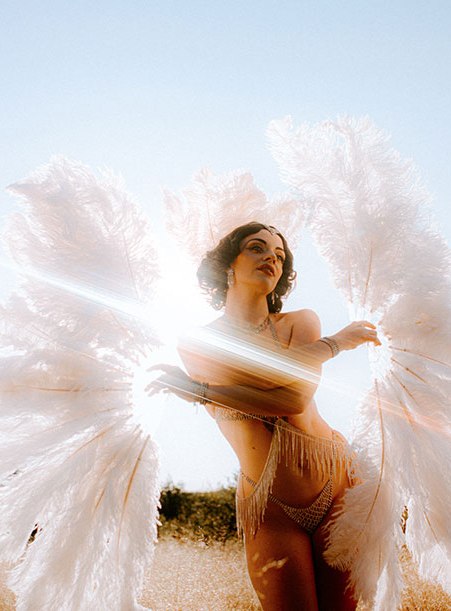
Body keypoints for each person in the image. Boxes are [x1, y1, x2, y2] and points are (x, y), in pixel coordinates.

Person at [149, 221, 380, 611]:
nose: (270, 259)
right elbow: (270, 378)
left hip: (337, 485)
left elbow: (292, 396)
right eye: (257, 248)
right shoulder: (196, 342)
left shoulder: (300, 321)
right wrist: (334, 345)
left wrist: (200, 392)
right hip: (270, 507)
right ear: (229, 265)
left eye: (279, 255)